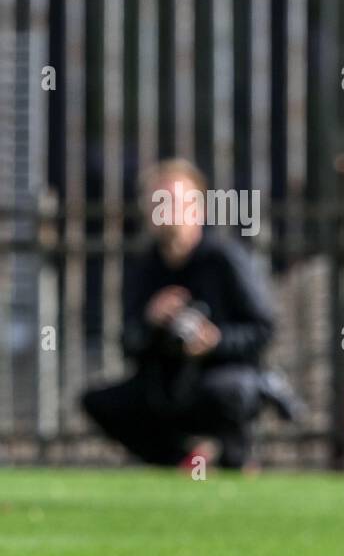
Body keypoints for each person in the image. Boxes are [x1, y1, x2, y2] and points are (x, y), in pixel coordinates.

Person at [82, 158, 278, 471]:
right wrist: (151, 321)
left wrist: (214, 341)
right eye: (157, 202)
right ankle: (181, 459)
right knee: (99, 401)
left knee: (231, 391)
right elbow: (127, 343)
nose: (166, 211)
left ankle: (230, 456)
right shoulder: (146, 266)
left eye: (174, 201)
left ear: (198, 208)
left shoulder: (224, 259)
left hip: (217, 379)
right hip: (164, 382)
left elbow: (262, 329)